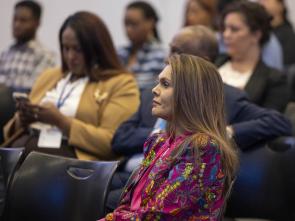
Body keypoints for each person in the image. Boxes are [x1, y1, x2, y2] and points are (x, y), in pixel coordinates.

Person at [100, 53, 238, 220]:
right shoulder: (158, 141)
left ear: (189, 94)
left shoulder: (203, 147)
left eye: (165, 84)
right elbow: (128, 203)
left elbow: (159, 214)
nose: (154, 90)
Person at [3, 11, 139, 161]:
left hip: (69, 160)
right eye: (65, 48)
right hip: (25, 146)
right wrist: (22, 119)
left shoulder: (121, 83)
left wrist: (61, 122)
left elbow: (112, 143)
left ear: (96, 48)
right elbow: (7, 132)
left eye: (77, 49)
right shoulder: (50, 76)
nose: (70, 56)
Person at [217, 0, 289, 112]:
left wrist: (232, 129)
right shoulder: (214, 63)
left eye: (234, 29)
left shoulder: (274, 79)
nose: (226, 35)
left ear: (256, 35)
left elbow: (270, 122)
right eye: (224, 29)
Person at [0, 0, 56, 93]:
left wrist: (5, 85)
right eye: (15, 19)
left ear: (37, 23)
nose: (17, 25)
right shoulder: (5, 53)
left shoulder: (45, 56)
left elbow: (34, 88)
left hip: (21, 106)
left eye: (23, 21)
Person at [117, 1, 166, 91]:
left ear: (150, 23)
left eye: (134, 24)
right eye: (126, 24)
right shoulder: (118, 53)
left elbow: (156, 89)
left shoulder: (161, 56)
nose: (128, 29)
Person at [258, 0, 295, 69]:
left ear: (281, 6)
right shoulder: (260, 32)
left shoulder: (288, 35)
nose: (262, 3)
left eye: (267, 1)